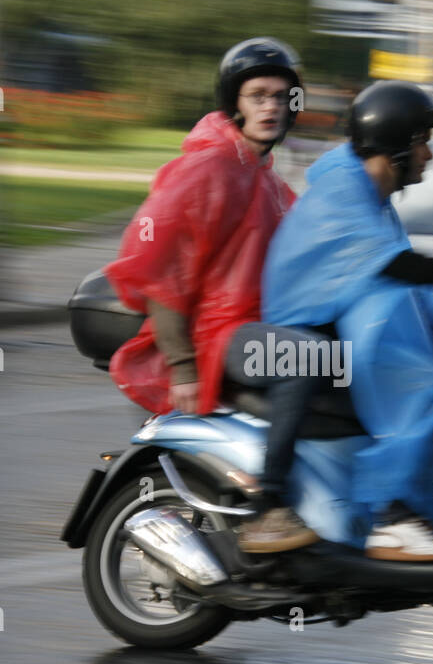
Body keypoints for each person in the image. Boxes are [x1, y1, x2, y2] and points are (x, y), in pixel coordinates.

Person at [104, 37, 322, 553]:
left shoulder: (265, 174)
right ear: (235, 102)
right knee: (303, 358)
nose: (270, 106)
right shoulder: (209, 168)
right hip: (217, 335)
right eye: (257, 95)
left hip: (252, 323)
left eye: (280, 96)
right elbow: (159, 268)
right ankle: (270, 509)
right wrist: (182, 364)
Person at [263, 80, 433, 562]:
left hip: (336, 324)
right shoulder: (343, 194)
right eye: (423, 140)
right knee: (415, 380)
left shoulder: (371, 193)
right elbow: (389, 265)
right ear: (397, 146)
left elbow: (391, 267)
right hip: (301, 331)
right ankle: (391, 517)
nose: (430, 153)